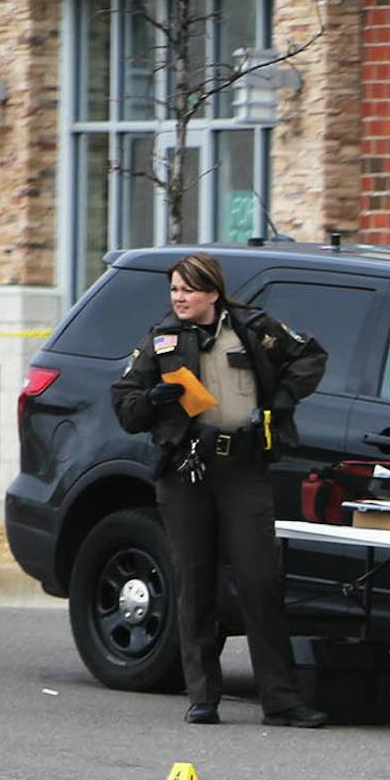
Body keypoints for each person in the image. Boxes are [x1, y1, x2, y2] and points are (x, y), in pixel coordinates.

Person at [111, 252, 329, 728]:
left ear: (212, 291)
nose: (179, 298)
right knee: (195, 580)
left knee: (259, 579)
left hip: (244, 467)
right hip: (187, 470)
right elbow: (124, 405)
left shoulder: (252, 327)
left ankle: (281, 699)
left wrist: (286, 397)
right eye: (174, 290)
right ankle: (203, 695)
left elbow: (310, 355)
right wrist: (151, 399)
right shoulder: (161, 339)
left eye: (188, 289)